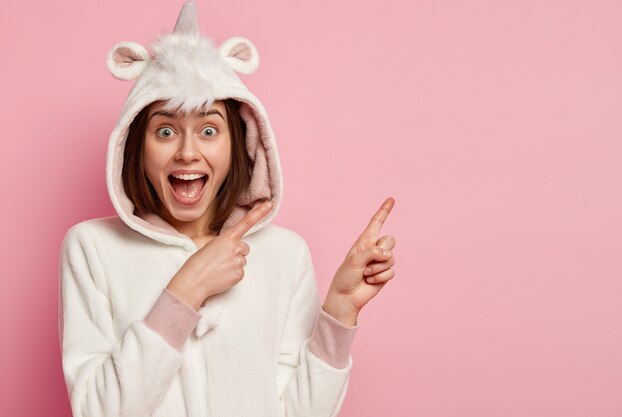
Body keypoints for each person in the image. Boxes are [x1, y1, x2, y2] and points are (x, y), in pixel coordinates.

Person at [58, 1, 397, 416]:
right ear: (136, 146)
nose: (187, 152)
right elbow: (100, 411)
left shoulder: (285, 255)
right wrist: (186, 290)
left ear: (239, 143)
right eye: (165, 130)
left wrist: (340, 313)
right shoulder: (91, 248)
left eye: (208, 130)